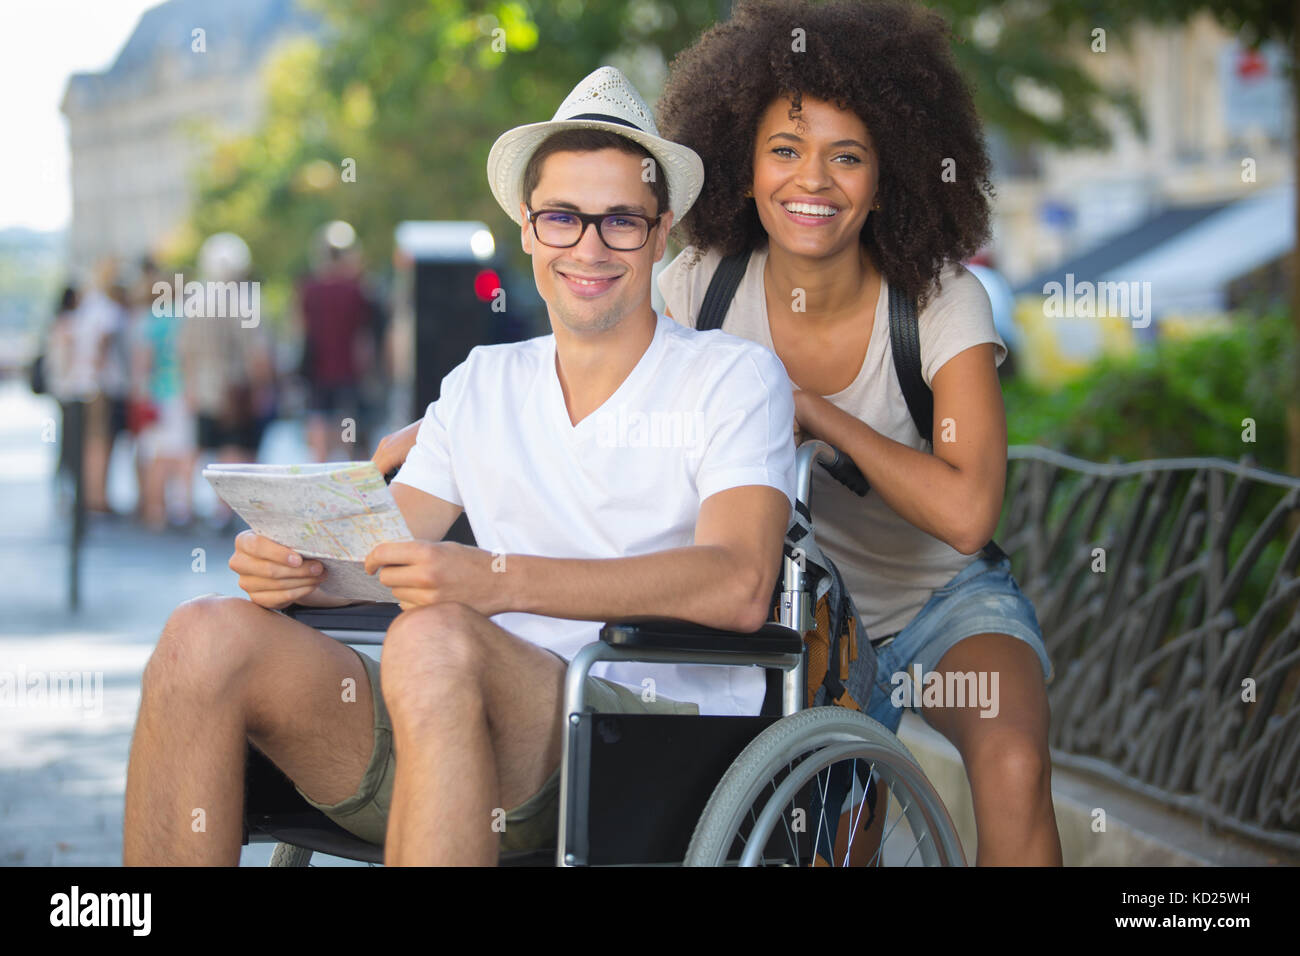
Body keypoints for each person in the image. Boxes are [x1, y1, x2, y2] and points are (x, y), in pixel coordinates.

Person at [375, 0, 1060, 867]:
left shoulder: (937, 299)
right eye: (784, 151)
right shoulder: (702, 282)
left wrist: (811, 409)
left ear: (888, 177)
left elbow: (967, 514)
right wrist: (436, 427)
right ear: (742, 169)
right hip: (803, 602)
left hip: (936, 603)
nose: (812, 181)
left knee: (1013, 757)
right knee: (828, 834)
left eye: (847, 157)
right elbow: (598, 346)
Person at [123, 67, 795, 866]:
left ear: (663, 228)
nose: (588, 246)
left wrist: (496, 579)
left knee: (434, 637)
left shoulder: (731, 376)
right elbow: (384, 554)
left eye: (620, 221)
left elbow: (740, 582)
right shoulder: (484, 381)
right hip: (452, 712)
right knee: (202, 634)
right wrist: (304, 571)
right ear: (526, 227)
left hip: (640, 731)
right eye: (562, 218)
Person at [296, 221, 375, 462]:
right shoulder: (358, 290)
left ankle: (319, 475)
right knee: (349, 427)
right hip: (349, 374)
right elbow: (364, 338)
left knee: (319, 425)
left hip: (317, 372)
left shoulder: (308, 289)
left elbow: (300, 330)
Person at [132, 258, 197, 531]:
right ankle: (182, 508)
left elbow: (142, 363)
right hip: (180, 394)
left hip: (155, 395)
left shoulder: (149, 320)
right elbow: (189, 359)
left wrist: (141, 394)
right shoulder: (185, 319)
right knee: (183, 454)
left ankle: (155, 509)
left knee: (155, 455)